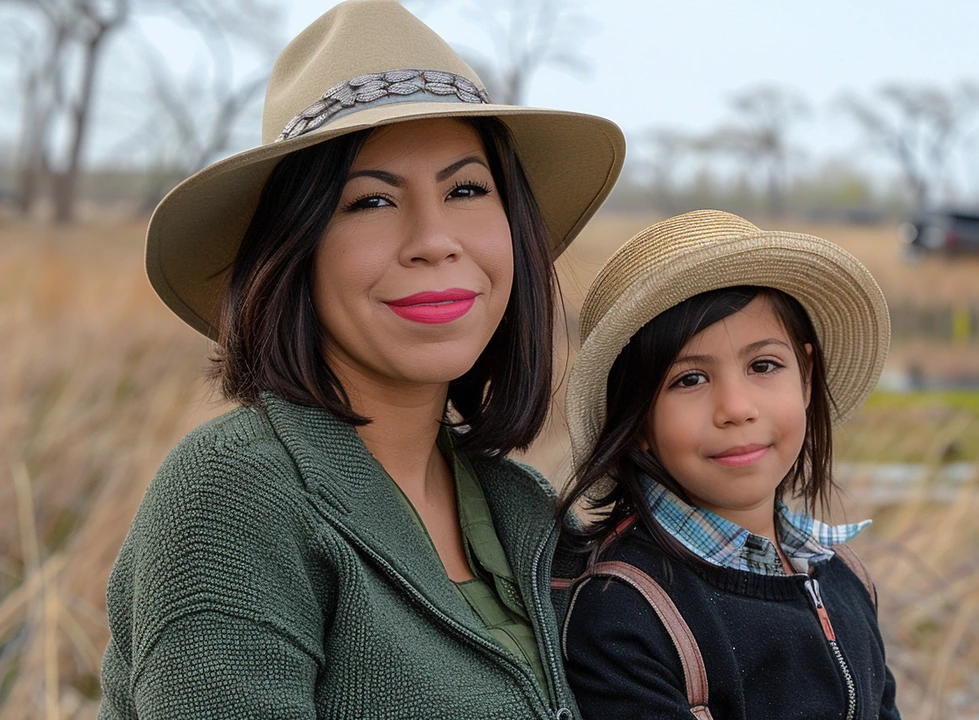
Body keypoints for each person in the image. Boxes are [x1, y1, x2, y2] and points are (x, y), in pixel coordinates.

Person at [97, 1, 623, 717]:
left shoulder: (523, 509)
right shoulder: (235, 498)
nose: (434, 240)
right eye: (370, 201)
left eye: (467, 189)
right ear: (294, 250)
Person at [554, 209, 900, 719]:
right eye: (689, 380)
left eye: (764, 366)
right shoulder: (624, 609)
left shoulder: (843, 576)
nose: (736, 408)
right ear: (638, 420)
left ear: (806, 377)